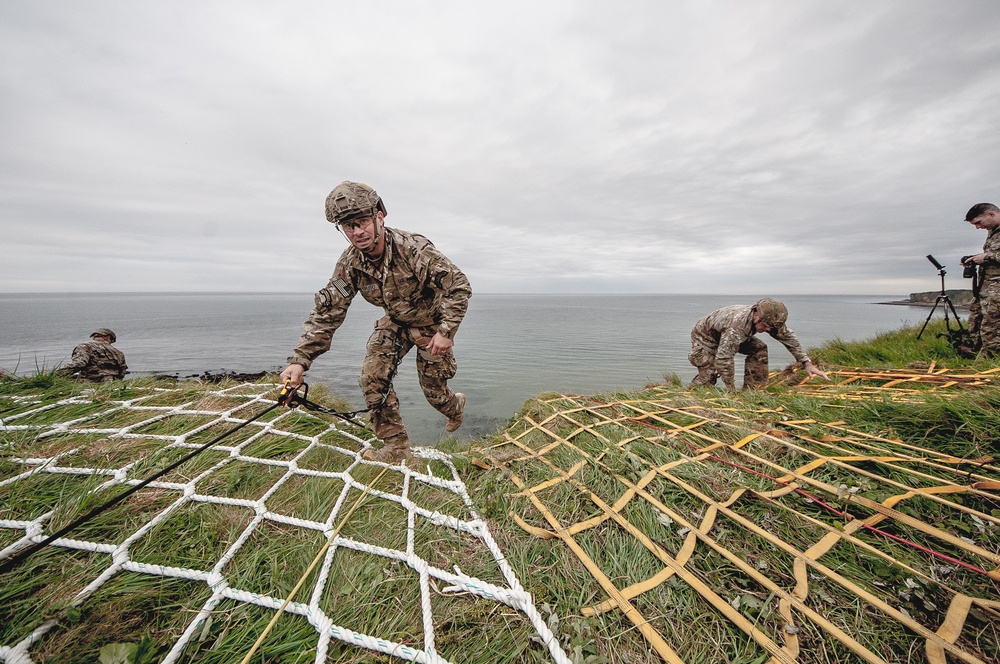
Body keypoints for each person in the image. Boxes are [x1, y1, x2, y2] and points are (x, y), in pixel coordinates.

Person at [280, 181, 472, 464]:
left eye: (362, 222)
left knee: (435, 394)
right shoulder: (351, 263)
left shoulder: (413, 250)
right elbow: (328, 312)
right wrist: (300, 361)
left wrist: (446, 332)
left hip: (432, 327)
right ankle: (396, 448)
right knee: (372, 378)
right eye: (348, 226)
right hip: (395, 324)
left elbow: (458, 286)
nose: (357, 232)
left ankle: (454, 407)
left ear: (379, 216)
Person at [688, 298, 829, 390]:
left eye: (771, 328)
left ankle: (753, 390)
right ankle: (689, 396)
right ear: (756, 314)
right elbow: (724, 358)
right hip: (706, 338)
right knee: (709, 375)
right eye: (766, 326)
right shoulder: (737, 326)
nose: (767, 330)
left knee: (759, 349)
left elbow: (789, 338)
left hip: (729, 335)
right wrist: (730, 388)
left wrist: (806, 363)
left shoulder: (770, 320)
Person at [961, 203, 1000, 357]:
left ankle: (991, 361)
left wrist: (987, 257)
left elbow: (992, 256)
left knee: (992, 325)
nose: (978, 227)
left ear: (991, 214)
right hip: (987, 286)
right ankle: (976, 351)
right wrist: (974, 258)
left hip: (996, 289)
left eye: (978, 222)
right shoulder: (993, 231)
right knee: (976, 320)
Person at [58, 328, 128, 381]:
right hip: (111, 384)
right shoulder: (118, 353)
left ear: (94, 337)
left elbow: (78, 364)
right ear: (109, 337)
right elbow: (122, 372)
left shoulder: (85, 346)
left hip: (89, 383)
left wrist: (57, 375)